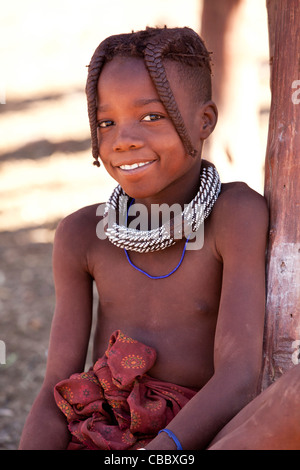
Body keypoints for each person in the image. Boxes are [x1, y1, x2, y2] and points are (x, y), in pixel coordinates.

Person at [19, 26, 270, 450]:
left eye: (152, 116)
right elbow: (54, 390)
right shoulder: (82, 236)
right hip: (104, 437)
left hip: (201, 439)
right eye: (106, 121)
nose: (124, 140)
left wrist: (159, 453)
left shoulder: (236, 214)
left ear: (205, 120)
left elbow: (239, 378)